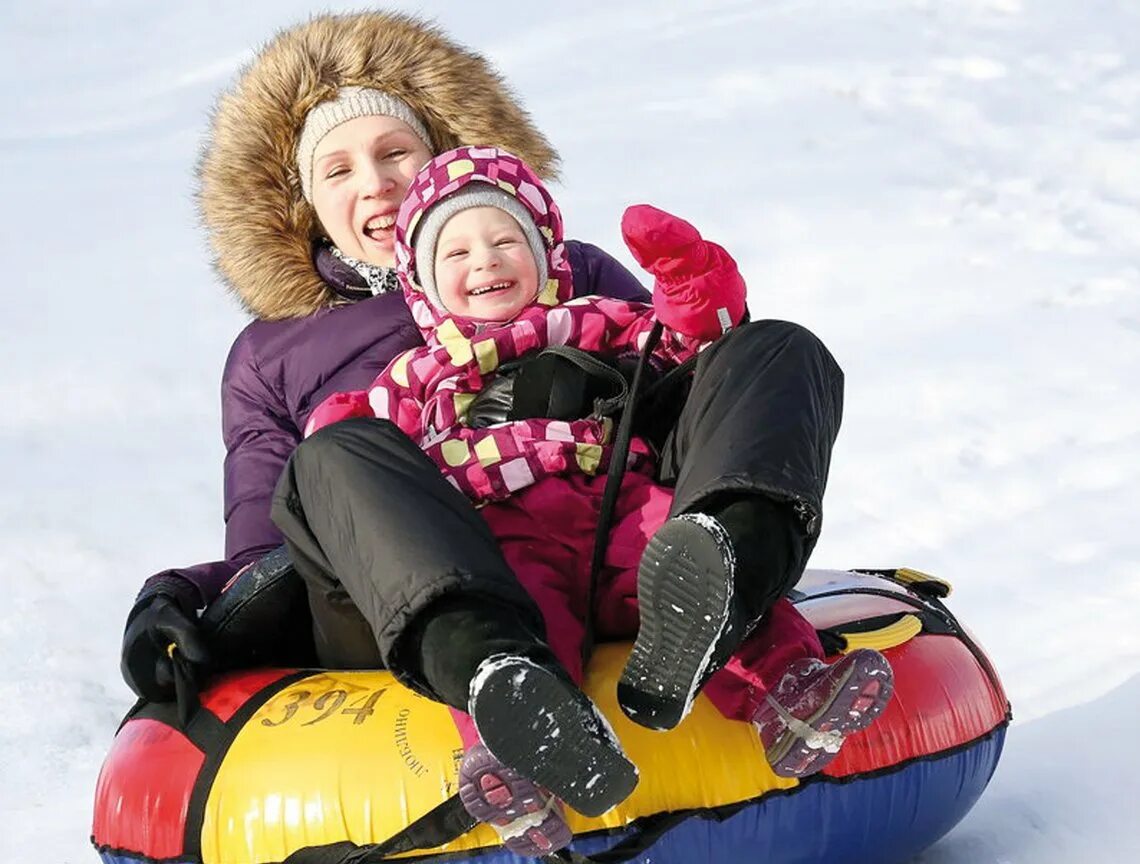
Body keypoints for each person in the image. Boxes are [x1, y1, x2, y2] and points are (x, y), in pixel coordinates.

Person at [294, 146, 894, 856]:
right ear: (422, 283)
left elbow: (690, 343)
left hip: (619, 503)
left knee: (691, 560)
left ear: (546, 254)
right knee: (516, 632)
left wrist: (686, 277)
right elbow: (374, 469)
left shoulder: (596, 320)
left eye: (505, 240)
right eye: (455, 250)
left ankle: (786, 689)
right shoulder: (414, 376)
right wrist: (339, 429)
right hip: (507, 536)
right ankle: (523, 750)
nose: (485, 261)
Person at [119, 11, 647, 702]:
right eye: (338, 169)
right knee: (338, 453)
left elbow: (683, 395)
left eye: (396, 152)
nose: (376, 183)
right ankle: (494, 679)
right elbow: (268, 551)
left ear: (443, 155)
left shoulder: (564, 269)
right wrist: (178, 595)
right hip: (387, 604)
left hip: (591, 539)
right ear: (305, 201)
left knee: (759, 351)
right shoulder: (270, 354)